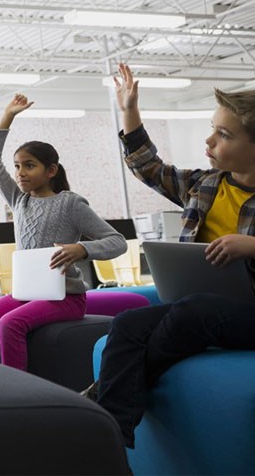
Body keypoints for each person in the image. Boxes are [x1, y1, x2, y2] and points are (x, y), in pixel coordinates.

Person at [85, 63, 255, 449]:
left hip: (240, 313)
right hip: (205, 306)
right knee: (127, 323)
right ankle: (110, 436)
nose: (209, 141)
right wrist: (129, 110)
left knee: (195, 310)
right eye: (212, 128)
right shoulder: (205, 184)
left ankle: (103, 395)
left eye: (224, 134)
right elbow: (149, 167)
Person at [0, 93, 127, 370]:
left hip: (66, 298)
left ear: (51, 170)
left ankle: (22, 392)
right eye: (18, 166)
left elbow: (118, 242)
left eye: (29, 165)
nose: (20, 173)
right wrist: (7, 117)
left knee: (9, 324)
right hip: (27, 292)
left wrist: (82, 249)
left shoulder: (70, 203)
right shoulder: (19, 200)